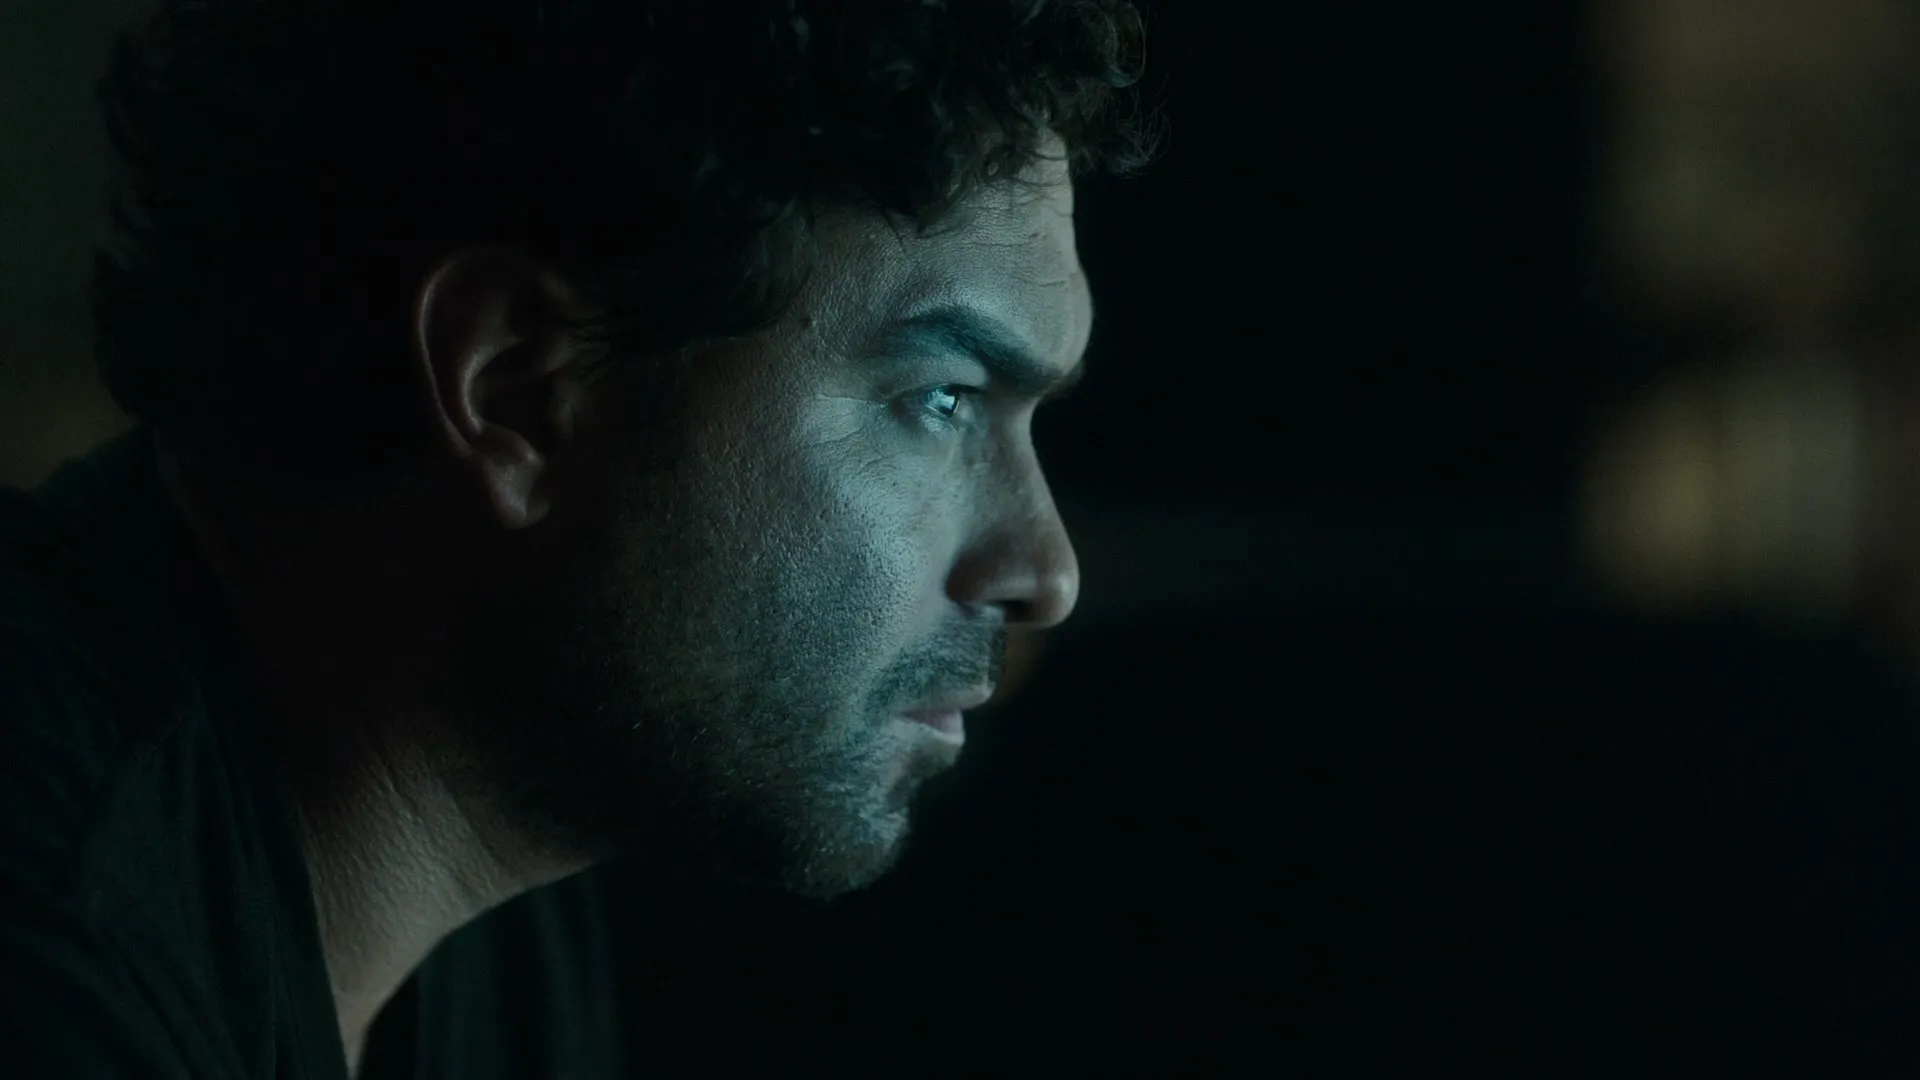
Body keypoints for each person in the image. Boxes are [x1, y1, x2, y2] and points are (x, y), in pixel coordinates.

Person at [0, 1, 1156, 1076]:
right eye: (943, 399)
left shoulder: (501, 888)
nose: (1045, 572)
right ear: (518, 390)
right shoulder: (52, 911)